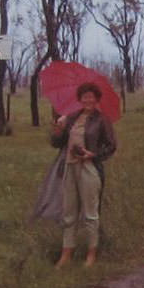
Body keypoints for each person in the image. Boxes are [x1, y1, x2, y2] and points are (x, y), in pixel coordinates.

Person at [50, 82, 117, 268]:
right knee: (68, 212)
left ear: (96, 99)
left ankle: (91, 253)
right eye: (84, 96)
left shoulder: (102, 120)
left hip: (89, 168)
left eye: (91, 96)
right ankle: (66, 253)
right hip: (69, 168)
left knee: (90, 213)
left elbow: (111, 146)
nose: (88, 99)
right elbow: (56, 143)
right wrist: (59, 128)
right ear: (79, 99)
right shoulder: (71, 118)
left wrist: (93, 155)